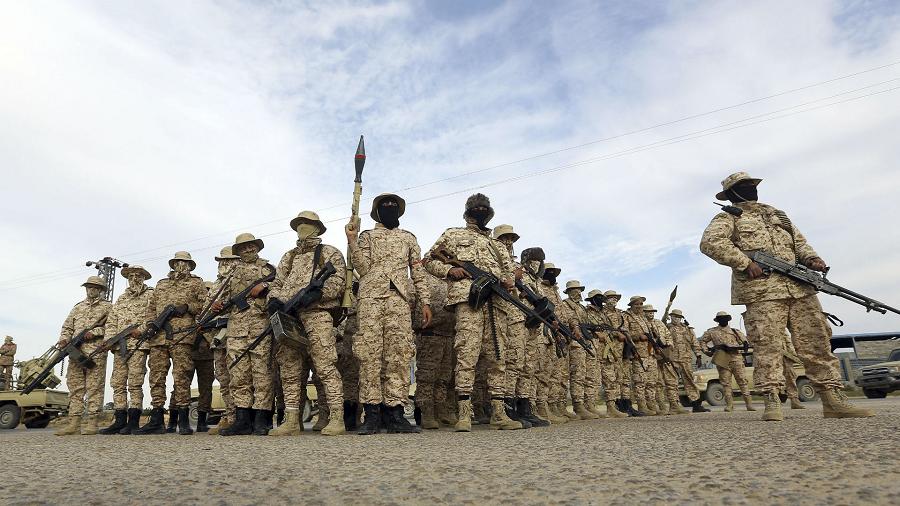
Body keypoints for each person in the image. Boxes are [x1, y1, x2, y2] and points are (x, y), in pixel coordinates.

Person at [700, 171, 873, 421]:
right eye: (744, 186)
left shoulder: (776, 214)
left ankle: (833, 400)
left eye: (752, 184)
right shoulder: (728, 217)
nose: (751, 188)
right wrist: (744, 262)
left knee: (817, 341)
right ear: (732, 193)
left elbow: (799, 243)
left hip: (799, 289)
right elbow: (710, 243)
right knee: (767, 346)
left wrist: (812, 258)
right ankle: (772, 402)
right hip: (762, 292)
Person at [424, 193, 522, 431]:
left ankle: (498, 412)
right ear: (467, 212)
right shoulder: (453, 234)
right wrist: (449, 270)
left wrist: (509, 282)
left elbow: (509, 274)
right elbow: (428, 260)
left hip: (496, 302)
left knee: (497, 355)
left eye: (484, 208)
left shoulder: (497, 245)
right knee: (467, 352)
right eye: (476, 208)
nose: (481, 211)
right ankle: (464, 413)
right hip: (469, 300)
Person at [345, 193, 431, 434]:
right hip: (371, 299)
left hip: (400, 301)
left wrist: (425, 302)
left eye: (394, 205)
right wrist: (352, 241)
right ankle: (372, 413)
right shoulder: (367, 236)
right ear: (377, 212)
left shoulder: (408, 238)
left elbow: (418, 272)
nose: (390, 207)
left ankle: (395, 414)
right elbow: (362, 268)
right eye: (385, 205)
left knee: (399, 355)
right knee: (369, 355)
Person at [269, 211, 347, 436]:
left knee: (325, 365)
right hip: (289, 316)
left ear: (318, 228)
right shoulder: (289, 256)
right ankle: (292, 420)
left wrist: (319, 293)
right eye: (300, 224)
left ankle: (336, 417)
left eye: (308, 224)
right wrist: (273, 300)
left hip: (317, 314)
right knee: (290, 368)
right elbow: (278, 282)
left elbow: (339, 280)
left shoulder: (329, 252)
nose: (303, 227)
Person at [135, 252, 206, 436]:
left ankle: (183, 420)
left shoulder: (196, 283)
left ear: (190, 265)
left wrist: (188, 307)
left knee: (181, 376)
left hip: (182, 336)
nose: (181, 265)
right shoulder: (161, 284)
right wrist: (151, 324)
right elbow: (151, 308)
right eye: (177, 262)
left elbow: (204, 305)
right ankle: (157, 419)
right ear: (173, 264)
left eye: (185, 262)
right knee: (156, 377)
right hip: (158, 338)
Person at [212, 234, 275, 436]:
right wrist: (218, 305)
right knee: (238, 375)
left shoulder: (269, 269)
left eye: (251, 246)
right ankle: (242, 419)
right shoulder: (231, 273)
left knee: (262, 374)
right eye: (243, 248)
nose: (248, 250)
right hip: (236, 329)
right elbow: (221, 299)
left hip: (260, 326)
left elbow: (282, 287)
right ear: (237, 252)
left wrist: (265, 286)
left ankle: (262, 419)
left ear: (257, 248)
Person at [99, 265, 154, 435]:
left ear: (144, 277)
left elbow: (154, 316)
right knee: (117, 383)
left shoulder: (151, 295)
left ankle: (134, 420)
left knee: (135, 383)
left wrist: (142, 329)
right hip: (119, 347)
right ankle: (120, 419)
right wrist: (109, 339)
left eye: (138, 275)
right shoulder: (121, 299)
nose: (134, 279)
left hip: (138, 345)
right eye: (131, 276)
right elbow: (112, 321)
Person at [54, 276, 111, 436]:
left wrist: (95, 332)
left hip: (96, 352)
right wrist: (64, 339)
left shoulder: (108, 308)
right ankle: (74, 423)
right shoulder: (77, 308)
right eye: (89, 287)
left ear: (101, 290)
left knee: (94, 387)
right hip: (75, 352)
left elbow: (113, 328)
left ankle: (92, 422)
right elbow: (67, 327)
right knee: (75, 386)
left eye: (95, 287)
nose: (91, 290)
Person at [413, 272, 458, 429]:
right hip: (430, 334)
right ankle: (426, 412)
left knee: (444, 376)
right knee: (427, 376)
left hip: (449, 334)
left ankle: (441, 409)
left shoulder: (452, 279)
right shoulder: (424, 280)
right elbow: (415, 306)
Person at [207, 247, 239, 435]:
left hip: (237, 334)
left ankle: (241, 416)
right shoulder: (217, 285)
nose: (224, 264)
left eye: (228, 261)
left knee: (240, 377)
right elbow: (206, 308)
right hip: (218, 338)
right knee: (223, 378)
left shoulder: (239, 280)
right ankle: (229, 415)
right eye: (221, 261)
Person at [699, 312, 755, 413]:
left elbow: (745, 342)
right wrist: (709, 351)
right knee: (725, 383)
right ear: (717, 320)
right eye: (721, 318)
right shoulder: (712, 332)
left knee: (742, 381)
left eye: (725, 318)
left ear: (728, 320)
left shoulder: (735, 331)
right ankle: (729, 405)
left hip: (736, 358)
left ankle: (749, 404)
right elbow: (702, 342)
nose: (723, 320)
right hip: (722, 358)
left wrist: (745, 345)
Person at [559, 280, 599, 420]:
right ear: (568, 292)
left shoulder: (582, 307)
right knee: (578, 374)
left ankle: (588, 404)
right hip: (576, 343)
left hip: (586, 342)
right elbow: (570, 319)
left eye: (579, 290)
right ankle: (578, 404)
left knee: (588, 375)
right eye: (573, 290)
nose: (577, 292)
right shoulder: (565, 304)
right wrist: (576, 327)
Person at [583, 290, 626, 418]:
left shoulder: (603, 314)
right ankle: (590, 406)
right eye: (598, 298)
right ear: (591, 299)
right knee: (592, 379)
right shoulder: (586, 312)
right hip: (594, 349)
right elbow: (583, 327)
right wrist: (596, 333)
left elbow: (609, 328)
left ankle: (611, 407)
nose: (601, 300)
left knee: (610, 379)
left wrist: (615, 333)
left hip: (607, 350)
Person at [666, 309, 709, 413]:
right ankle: (675, 405)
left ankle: (696, 405)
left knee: (689, 381)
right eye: (673, 316)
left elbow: (694, 343)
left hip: (686, 359)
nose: (675, 318)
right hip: (672, 359)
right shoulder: (666, 328)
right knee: (672, 382)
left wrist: (698, 356)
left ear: (681, 318)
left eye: (678, 317)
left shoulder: (688, 330)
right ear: (670, 317)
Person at [623, 296, 658, 416]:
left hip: (649, 353)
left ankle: (651, 404)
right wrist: (638, 336)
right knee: (640, 381)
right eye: (636, 304)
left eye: (641, 304)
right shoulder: (627, 317)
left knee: (651, 381)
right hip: (638, 353)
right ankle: (642, 405)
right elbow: (626, 334)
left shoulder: (643, 318)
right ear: (631, 305)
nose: (639, 306)